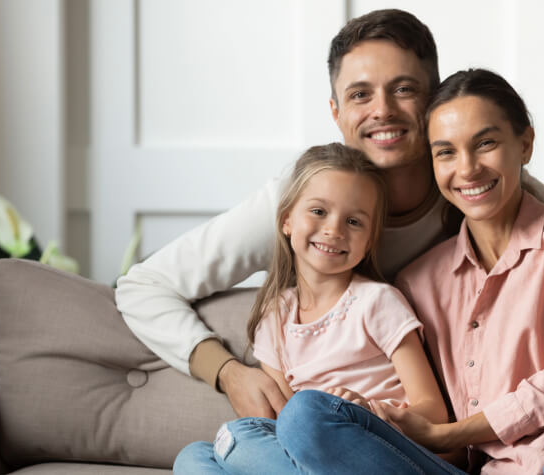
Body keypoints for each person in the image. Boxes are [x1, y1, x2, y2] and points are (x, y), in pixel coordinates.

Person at [115, 9, 544, 420]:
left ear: (435, 100)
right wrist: (227, 372)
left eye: (404, 89)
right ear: (336, 113)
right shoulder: (300, 203)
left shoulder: (481, 186)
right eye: (360, 95)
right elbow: (143, 286)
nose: (382, 111)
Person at [270, 69, 544, 474]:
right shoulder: (420, 282)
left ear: (525, 143)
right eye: (446, 152)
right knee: (297, 419)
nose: (468, 168)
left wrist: (449, 433)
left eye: (485, 143)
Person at [172, 143, 457, 474]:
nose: (334, 230)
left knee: (301, 413)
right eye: (319, 212)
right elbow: (277, 423)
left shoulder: (377, 301)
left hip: (390, 452)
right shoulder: (275, 316)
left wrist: (368, 411)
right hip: (314, 453)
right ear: (287, 220)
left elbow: (434, 412)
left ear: (369, 240)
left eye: (353, 221)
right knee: (197, 456)